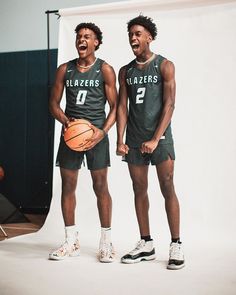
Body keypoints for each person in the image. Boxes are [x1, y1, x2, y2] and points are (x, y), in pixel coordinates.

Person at [116, 15, 184, 270]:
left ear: (149, 37)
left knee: (167, 186)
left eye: (138, 34)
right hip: (134, 139)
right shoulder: (126, 71)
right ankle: (146, 243)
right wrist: (120, 139)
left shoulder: (165, 65)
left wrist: (156, 138)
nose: (133, 38)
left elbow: (170, 103)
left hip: (160, 138)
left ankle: (176, 244)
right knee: (138, 188)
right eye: (131, 34)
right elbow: (122, 106)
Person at [49, 22, 117, 263]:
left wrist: (103, 132)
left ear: (96, 42)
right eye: (79, 36)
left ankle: (106, 242)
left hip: (96, 135)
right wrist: (65, 120)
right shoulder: (64, 70)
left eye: (87, 36)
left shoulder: (106, 70)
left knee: (101, 186)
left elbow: (116, 107)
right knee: (68, 186)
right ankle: (71, 240)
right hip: (71, 134)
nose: (82, 39)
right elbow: (53, 104)